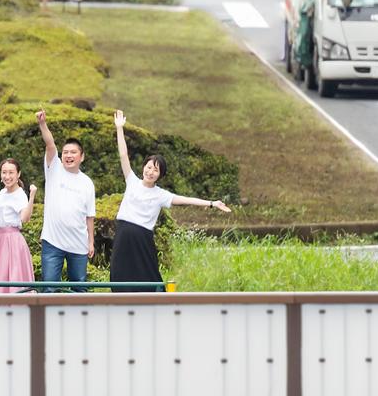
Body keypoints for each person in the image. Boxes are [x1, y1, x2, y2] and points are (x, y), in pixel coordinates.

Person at [109, 110, 232, 292]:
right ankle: (119, 301)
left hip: (142, 238)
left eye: (155, 170)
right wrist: (120, 128)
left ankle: (156, 300)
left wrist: (212, 203)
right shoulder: (132, 180)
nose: (150, 172)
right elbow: (123, 154)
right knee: (119, 271)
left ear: (160, 175)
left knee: (147, 274)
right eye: (149, 167)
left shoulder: (161, 195)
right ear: (143, 167)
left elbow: (186, 200)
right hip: (124, 234)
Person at [35, 109, 97, 290]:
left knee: (79, 289)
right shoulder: (54, 169)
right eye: (65, 152)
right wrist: (42, 124)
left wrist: (90, 242)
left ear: (82, 157)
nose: (68, 155)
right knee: (49, 288)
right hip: (52, 242)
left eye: (73, 152)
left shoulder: (87, 183)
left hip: (78, 244)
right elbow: (50, 145)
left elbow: (89, 216)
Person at [0, 159, 36, 294]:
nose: (7, 176)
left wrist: (31, 197)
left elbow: (25, 219)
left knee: (14, 274)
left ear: (18, 174)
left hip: (13, 241)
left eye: (11, 172)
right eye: (4, 172)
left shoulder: (20, 194)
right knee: (1, 274)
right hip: (1, 239)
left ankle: (15, 303)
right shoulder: (2, 193)